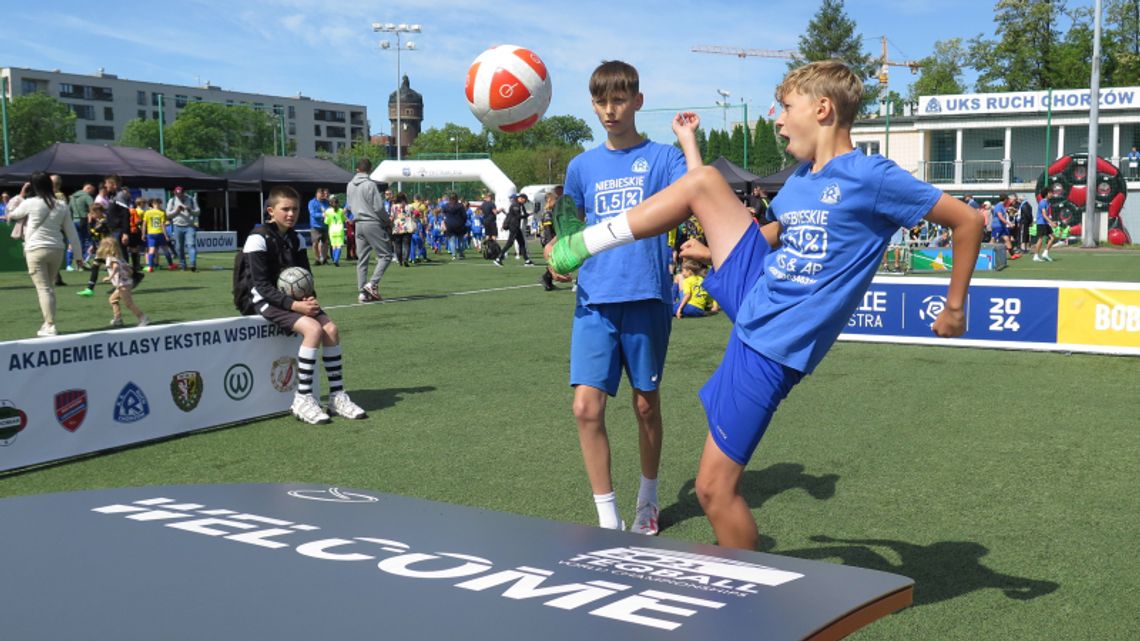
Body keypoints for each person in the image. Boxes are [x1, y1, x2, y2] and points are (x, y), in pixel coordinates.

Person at [548, 60, 981, 549]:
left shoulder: (873, 176)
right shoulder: (800, 178)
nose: (777, 119)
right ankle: (585, 243)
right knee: (703, 183)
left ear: (822, 110)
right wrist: (714, 251)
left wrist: (955, 305)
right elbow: (772, 234)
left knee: (712, 490)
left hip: (773, 343)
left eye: (787, 108)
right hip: (754, 291)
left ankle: (751, 597)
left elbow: (968, 222)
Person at [552, 60, 700, 535]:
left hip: (646, 298)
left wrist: (688, 140)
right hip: (594, 300)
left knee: (644, 406)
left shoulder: (661, 158)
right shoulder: (581, 167)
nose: (609, 110)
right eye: (600, 101)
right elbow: (568, 229)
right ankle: (606, 519)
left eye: (618, 100)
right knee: (584, 408)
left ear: (638, 101)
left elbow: (699, 190)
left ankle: (648, 499)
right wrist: (558, 254)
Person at [241, 185, 367, 424]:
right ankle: (302, 398)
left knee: (331, 329)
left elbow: (305, 278)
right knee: (313, 329)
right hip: (264, 300)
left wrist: (309, 298)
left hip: (293, 301)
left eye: (295, 209)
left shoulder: (296, 238)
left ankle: (337, 396)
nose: (291, 214)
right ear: (271, 211)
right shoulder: (257, 238)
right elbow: (260, 287)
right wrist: (295, 306)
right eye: (285, 209)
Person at [7, 172, 84, 337]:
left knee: (44, 289)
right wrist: (78, 256)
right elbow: (72, 233)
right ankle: (48, 323)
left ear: (33, 186)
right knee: (48, 288)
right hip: (56, 249)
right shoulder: (61, 205)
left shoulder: (30, 202)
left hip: (35, 248)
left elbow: (12, 214)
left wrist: (20, 194)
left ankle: (50, 325)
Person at [346, 158, 392, 303]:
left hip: (358, 222)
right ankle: (372, 283)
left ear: (357, 169)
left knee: (362, 259)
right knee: (386, 255)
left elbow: (349, 204)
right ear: (370, 170)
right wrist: (387, 221)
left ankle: (362, 292)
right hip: (372, 222)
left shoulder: (350, 185)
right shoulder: (370, 184)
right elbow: (378, 207)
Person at [96, 237, 149, 328]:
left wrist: (110, 277)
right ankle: (118, 319)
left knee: (128, 303)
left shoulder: (111, 258)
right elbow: (130, 270)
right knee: (112, 299)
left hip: (123, 285)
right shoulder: (119, 258)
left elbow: (115, 267)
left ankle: (143, 318)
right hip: (125, 283)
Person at [166, 185, 200, 272]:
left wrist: (190, 210)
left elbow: (198, 212)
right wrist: (177, 211)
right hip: (177, 226)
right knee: (178, 247)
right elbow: (168, 214)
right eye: (177, 194)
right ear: (174, 193)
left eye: (180, 194)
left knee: (191, 244)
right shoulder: (172, 200)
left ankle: (192, 264)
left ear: (183, 192)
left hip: (189, 226)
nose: (179, 195)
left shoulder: (191, 199)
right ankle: (183, 264)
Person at [494, 193, 533, 266]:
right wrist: (527, 215)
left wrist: (526, 214)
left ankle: (527, 260)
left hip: (516, 226)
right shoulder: (515, 205)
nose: (525, 202)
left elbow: (522, 214)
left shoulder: (520, 205)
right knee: (510, 243)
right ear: (521, 198)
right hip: (513, 226)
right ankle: (498, 258)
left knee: (521, 243)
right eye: (524, 200)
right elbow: (518, 216)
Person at [1033, 188, 1057, 262]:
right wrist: (1051, 222)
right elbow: (1044, 214)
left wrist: (1051, 221)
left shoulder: (1047, 202)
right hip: (1041, 223)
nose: (1052, 194)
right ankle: (1036, 256)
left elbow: (1047, 214)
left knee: (1053, 237)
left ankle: (1045, 253)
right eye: (1051, 193)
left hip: (1045, 223)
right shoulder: (1042, 202)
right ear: (1047, 194)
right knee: (1040, 239)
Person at [443, 191, 468, 260]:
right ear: (456, 198)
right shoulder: (460, 206)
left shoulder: (446, 206)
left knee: (452, 241)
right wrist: (464, 222)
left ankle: (454, 255)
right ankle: (461, 253)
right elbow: (465, 216)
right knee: (460, 240)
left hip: (450, 225)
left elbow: (444, 215)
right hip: (459, 225)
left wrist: (445, 223)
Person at [308, 188, 330, 265]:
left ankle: (324, 259)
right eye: (321, 193)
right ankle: (317, 259)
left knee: (325, 243)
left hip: (325, 225)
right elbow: (312, 214)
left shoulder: (327, 202)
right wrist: (322, 214)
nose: (322, 195)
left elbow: (330, 211)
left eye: (323, 194)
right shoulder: (312, 202)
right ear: (317, 194)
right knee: (315, 243)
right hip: (315, 226)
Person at [324, 195, 347, 267]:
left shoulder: (328, 211)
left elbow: (326, 222)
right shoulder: (341, 210)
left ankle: (335, 259)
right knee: (339, 246)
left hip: (332, 230)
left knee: (334, 246)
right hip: (339, 230)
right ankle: (336, 260)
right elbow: (343, 219)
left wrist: (325, 216)